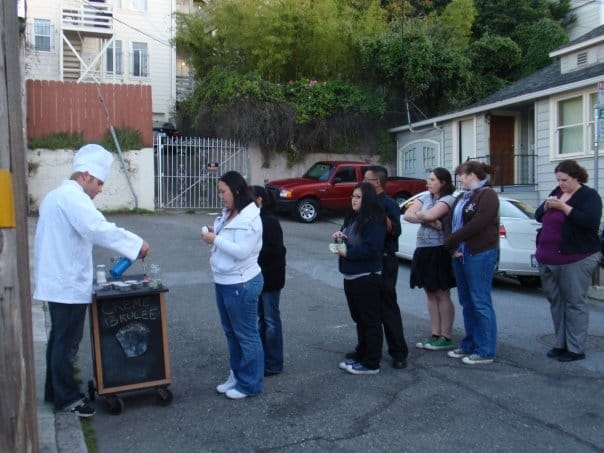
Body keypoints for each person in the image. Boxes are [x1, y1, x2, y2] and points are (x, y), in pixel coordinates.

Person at [34, 144, 150, 417]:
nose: (100, 189)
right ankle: (67, 398)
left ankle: (55, 391)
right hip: (67, 283)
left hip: (58, 280)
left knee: (58, 340)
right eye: (99, 182)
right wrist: (136, 244)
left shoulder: (55, 196)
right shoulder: (73, 199)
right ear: (85, 175)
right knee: (66, 343)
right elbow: (98, 229)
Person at [201, 171, 264, 399]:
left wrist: (215, 239)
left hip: (241, 282)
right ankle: (237, 376)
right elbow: (226, 238)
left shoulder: (251, 218)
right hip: (224, 280)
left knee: (246, 335)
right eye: (219, 192)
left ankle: (251, 384)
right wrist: (213, 232)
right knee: (231, 333)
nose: (220, 196)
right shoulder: (229, 212)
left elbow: (242, 251)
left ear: (236, 190)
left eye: (223, 191)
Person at [535, 160, 602, 362]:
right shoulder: (557, 191)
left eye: (565, 180)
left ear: (577, 177)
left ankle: (575, 348)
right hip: (548, 257)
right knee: (556, 303)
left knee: (574, 303)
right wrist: (547, 206)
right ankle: (560, 343)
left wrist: (563, 207)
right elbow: (538, 215)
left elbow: (588, 221)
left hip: (576, 257)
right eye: (558, 180)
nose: (561, 183)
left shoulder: (589, 196)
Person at [444, 160, 499, 365]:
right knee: (466, 302)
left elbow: (479, 223)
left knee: (480, 301)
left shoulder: (488, 195)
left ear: (472, 175)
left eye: (462, 175)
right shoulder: (463, 196)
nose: (460, 179)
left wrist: (452, 239)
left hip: (480, 253)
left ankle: (485, 350)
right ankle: (470, 343)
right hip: (461, 253)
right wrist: (451, 245)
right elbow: (449, 220)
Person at [333, 182, 387, 375]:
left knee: (370, 319)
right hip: (351, 275)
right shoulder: (353, 217)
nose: (353, 200)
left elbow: (372, 249)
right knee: (359, 318)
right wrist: (340, 237)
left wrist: (347, 253)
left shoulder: (374, 220)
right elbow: (349, 241)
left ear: (367, 199)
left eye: (358, 197)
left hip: (367, 276)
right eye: (353, 196)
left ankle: (371, 362)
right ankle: (362, 352)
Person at [404, 168, 456, 351]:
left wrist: (425, 217)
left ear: (443, 182)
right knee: (430, 293)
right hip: (423, 249)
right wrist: (426, 219)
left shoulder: (448, 198)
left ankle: (446, 335)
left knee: (442, 293)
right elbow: (407, 214)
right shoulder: (426, 196)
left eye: (432, 180)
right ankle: (435, 333)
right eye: (428, 179)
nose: (428, 183)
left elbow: (429, 214)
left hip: (439, 249)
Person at [362, 165, 409, 369]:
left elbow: (394, 231)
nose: (362, 183)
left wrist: (379, 213)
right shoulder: (363, 201)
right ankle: (366, 349)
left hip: (385, 259)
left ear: (377, 183)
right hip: (367, 260)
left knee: (387, 306)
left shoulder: (388, 204)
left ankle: (398, 352)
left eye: (366, 179)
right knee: (366, 308)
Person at [251, 185, 287, 376]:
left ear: (259, 200)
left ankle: (274, 363)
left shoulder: (269, 221)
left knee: (271, 320)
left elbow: (277, 250)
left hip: (271, 278)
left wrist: (252, 250)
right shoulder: (255, 219)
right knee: (262, 319)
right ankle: (264, 357)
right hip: (259, 276)